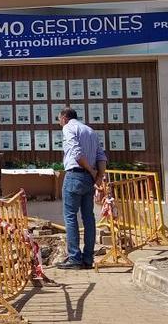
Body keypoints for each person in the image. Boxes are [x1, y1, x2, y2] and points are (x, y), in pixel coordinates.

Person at [57, 107, 107, 270]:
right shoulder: (90, 131)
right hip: (89, 179)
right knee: (88, 217)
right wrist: (98, 176)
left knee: (70, 217)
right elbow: (101, 156)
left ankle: (74, 258)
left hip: (75, 175)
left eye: (59, 119)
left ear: (64, 117)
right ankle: (88, 258)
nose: (59, 123)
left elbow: (76, 153)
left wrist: (92, 171)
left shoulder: (68, 128)